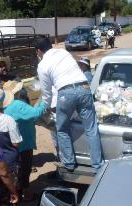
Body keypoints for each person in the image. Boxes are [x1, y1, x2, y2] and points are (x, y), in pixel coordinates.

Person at [35, 35, 103, 172]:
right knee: (91, 128)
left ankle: (69, 164)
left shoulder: (42, 65)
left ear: (38, 51)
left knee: (62, 129)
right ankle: (97, 165)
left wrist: (42, 109)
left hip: (66, 93)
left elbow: (47, 95)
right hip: (84, 87)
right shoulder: (64, 52)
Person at [3, 81, 45, 201]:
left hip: (11, 143)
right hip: (23, 142)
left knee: (16, 169)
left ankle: (17, 191)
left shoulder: (5, 105)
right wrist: (43, 101)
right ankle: (26, 193)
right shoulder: (17, 104)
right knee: (24, 169)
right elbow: (36, 113)